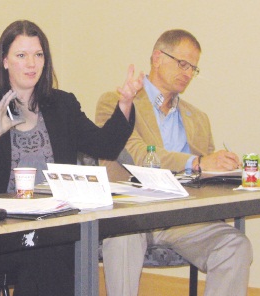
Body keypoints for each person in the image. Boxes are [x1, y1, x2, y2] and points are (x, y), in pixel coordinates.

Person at [0, 20, 142, 296]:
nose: (31, 64)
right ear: (4, 61)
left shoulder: (62, 105)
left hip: (54, 227)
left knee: (52, 253)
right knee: (47, 257)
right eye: (21, 55)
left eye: (38, 55)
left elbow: (105, 145)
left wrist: (125, 104)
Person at [95, 29, 253, 296]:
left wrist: (228, 173)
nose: (188, 73)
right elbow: (138, 157)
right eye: (183, 64)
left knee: (236, 246)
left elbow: (207, 177)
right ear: (157, 58)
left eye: (193, 68)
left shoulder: (198, 118)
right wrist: (199, 162)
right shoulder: (119, 101)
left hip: (182, 219)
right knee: (122, 238)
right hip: (131, 216)